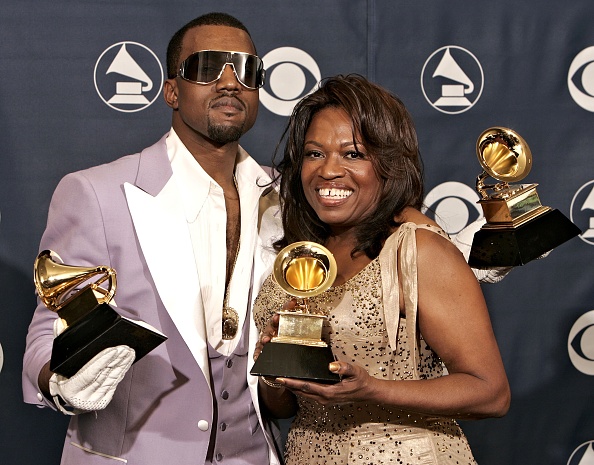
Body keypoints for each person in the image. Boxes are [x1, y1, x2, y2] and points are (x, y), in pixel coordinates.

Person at [22, 12, 283, 465]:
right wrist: (58, 380)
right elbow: (51, 326)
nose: (229, 82)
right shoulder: (97, 193)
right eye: (207, 67)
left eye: (246, 69)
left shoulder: (281, 197)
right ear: (171, 90)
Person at [253, 74, 511, 465]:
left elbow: (491, 393)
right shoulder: (296, 259)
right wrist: (274, 364)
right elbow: (286, 407)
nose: (328, 170)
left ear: (387, 164)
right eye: (314, 153)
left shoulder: (417, 249)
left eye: (353, 154)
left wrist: (371, 389)